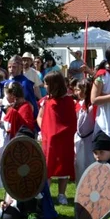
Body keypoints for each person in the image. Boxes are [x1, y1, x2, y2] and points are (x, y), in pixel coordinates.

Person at [0, 127, 58, 219]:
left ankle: (32, 212)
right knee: (6, 218)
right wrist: (6, 203)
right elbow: (11, 186)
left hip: (36, 201)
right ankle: (22, 212)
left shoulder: (36, 164)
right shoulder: (14, 163)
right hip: (17, 201)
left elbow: (40, 190)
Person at [37, 71, 76, 205]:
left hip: (64, 139)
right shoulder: (46, 101)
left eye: (47, 83)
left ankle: (61, 194)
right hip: (49, 139)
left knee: (63, 166)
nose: (44, 85)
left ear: (55, 85)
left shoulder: (68, 101)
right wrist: (44, 130)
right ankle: (46, 194)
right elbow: (40, 117)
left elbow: (71, 121)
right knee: (48, 166)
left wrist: (61, 132)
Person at [74, 78, 95, 180]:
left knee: (90, 163)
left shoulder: (92, 105)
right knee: (79, 164)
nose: (76, 92)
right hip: (79, 138)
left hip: (90, 138)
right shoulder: (79, 104)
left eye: (78, 90)